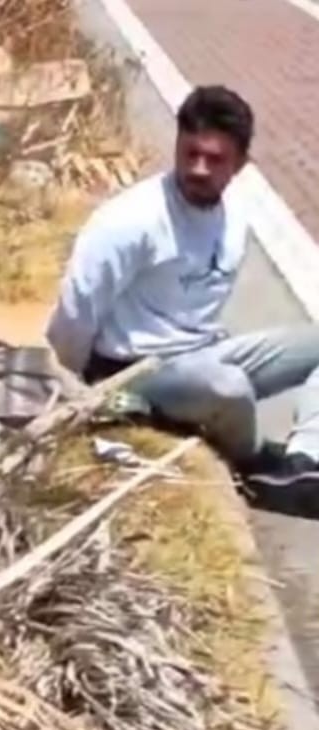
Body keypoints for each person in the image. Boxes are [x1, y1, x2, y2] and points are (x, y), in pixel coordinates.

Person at [45, 85, 319, 511]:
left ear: (240, 164)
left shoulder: (236, 215)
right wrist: (80, 394)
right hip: (135, 372)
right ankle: (255, 466)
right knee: (228, 387)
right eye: (190, 153)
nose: (199, 168)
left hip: (203, 355)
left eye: (215, 160)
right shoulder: (130, 221)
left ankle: (304, 463)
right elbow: (74, 316)